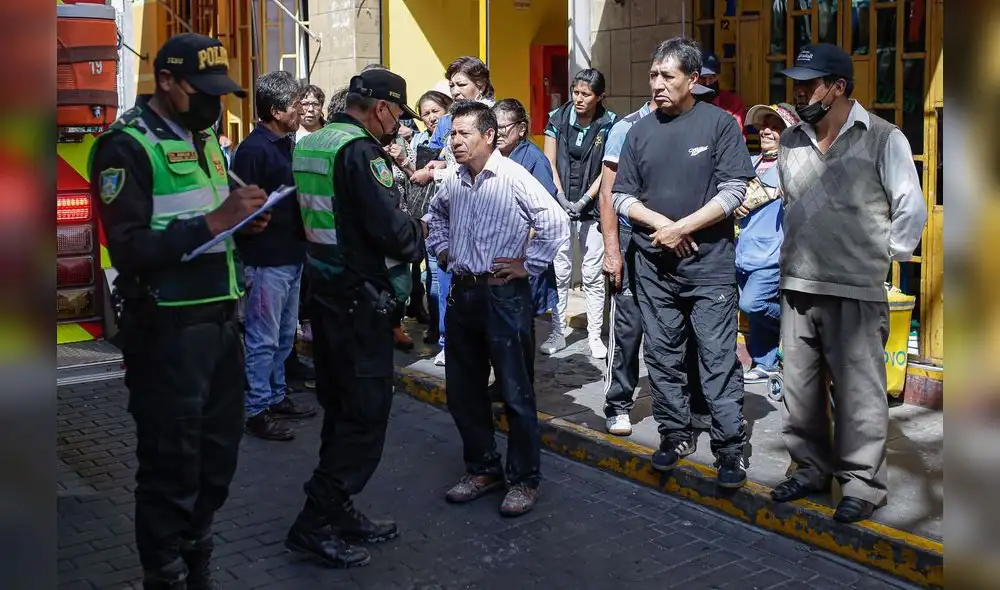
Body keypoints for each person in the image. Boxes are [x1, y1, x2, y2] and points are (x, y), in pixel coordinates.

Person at [89, 33, 267, 589]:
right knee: (170, 465)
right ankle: (164, 575)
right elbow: (130, 248)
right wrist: (215, 222)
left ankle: (199, 559)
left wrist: (243, 221)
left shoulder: (206, 136)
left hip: (220, 326)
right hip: (166, 332)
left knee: (217, 458)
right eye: (204, 89)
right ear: (166, 81)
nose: (215, 102)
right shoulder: (126, 146)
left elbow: (212, 219)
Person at [770, 44, 927, 523]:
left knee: (860, 393)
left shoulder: (883, 137)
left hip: (856, 288)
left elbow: (911, 211)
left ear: (837, 87)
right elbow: (790, 203)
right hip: (799, 284)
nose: (798, 92)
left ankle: (862, 484)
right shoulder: (792, 141)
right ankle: (810, 468)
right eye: (795, 83)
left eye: (808, 83)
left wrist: (877, 257)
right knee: (799, 389)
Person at [284, 67, 426, 568]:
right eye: (396, 116)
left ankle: (338, 510)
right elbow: (394, 232)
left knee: (340, 412)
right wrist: (420, 232)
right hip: (358, 301)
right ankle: (314, 522)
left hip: (324, 298)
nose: (397, 127)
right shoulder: (362, 153)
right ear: (381, 108)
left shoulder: (313, 142)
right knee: (364, 417)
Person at [611, 37, 756, 488]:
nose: (657, 84)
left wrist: (685, 227)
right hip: (654, 268)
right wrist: (662, 225)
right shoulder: (639, 131)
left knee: (716, 359)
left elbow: (735, 191)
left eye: (667, 76)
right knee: (663, 355)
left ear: (692, 80)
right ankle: (675, 435)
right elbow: (620, 196)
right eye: (653, 75)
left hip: (708, 267)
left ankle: (729, 449)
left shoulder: (718, 125)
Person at [426, 100, 569, 517]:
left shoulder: (512, 175)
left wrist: (528, 265)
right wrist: (444, 250)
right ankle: (483, 468)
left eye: (463, 133)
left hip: (503, 298)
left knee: (515, 391)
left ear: (489, 136)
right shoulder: (452, 179)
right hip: (463, 295)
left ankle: (524, 479)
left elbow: (555, 223)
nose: (455, 141)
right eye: (452, 133)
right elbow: (435, 217)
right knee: (463, 391)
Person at [234, 71, 317, 442]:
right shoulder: (253, 150)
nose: (301, 110)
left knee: (285, 334)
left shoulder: (285, 143)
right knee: (262, 337)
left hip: (291, 254)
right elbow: (240, 210)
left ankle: (276, 394)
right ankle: (256, 408)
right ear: (273, 110)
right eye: (295, 105)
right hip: (265, 259)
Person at [542, 68, 617, 358]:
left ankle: (595, 335)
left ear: (600, 96)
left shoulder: (610, 123)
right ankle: (558, 332)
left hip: (594, 208)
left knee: (593, 274)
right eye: (576, 92)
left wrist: (586, 199)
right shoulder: (557, 118)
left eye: (586, 94)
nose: (579, 98)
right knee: (559, 271)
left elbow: (608, 168)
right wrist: (560, 196)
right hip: (561, 204)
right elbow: (549, 160)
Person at [733, 103, 799, 383]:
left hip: (772, 255)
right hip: (742, 251)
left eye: (775, 126)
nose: (766, 130)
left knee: (752, 305)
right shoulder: (750, 162)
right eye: (764, 125)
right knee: (748, 308)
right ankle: (765, 362)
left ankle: (793, 323)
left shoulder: (793, 168)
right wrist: (732, 205)